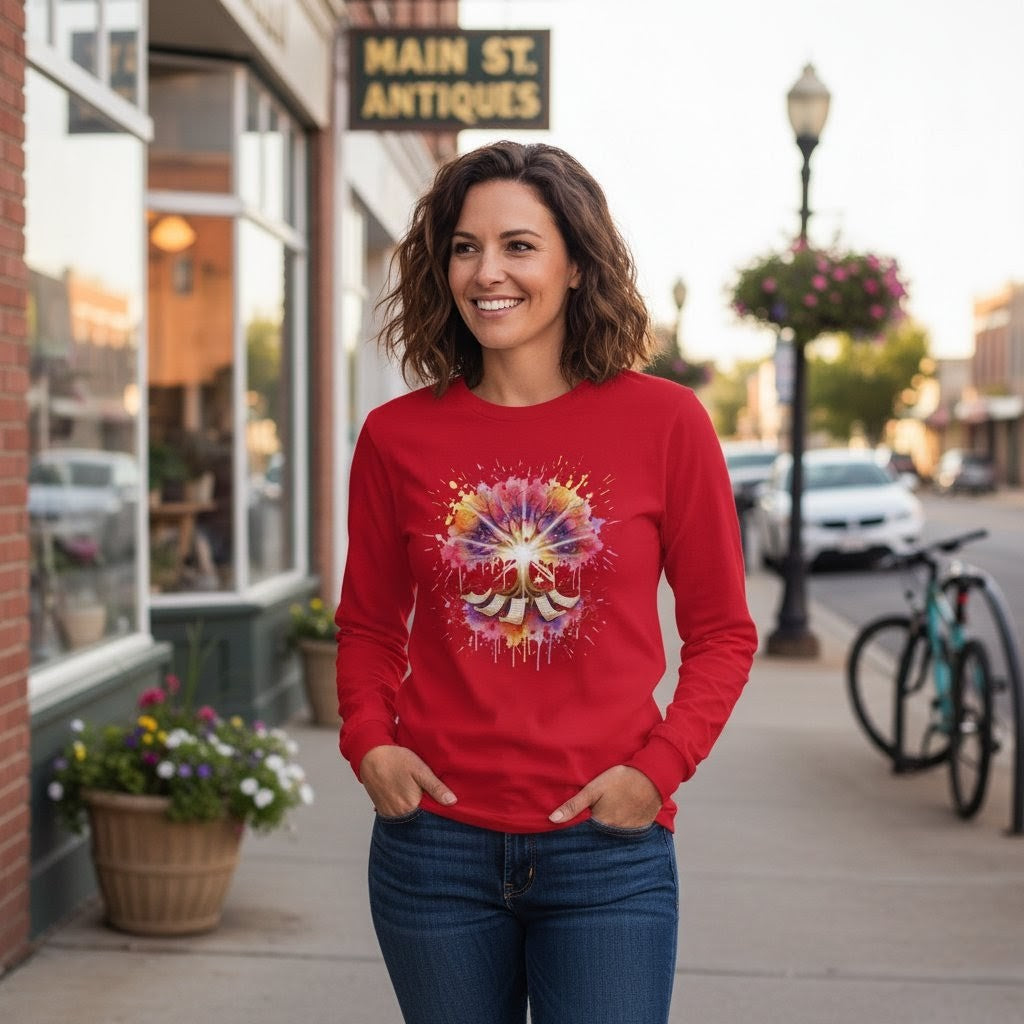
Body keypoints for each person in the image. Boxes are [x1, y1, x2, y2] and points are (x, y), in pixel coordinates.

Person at [335, 141, 757, 1024]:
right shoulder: (394, 437)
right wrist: (369, 741)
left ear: (576, 265)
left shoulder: (668, 422)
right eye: (464, 246)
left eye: (519, 245)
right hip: (434, 850)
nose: (487, 271)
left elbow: (722, 631)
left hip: (606, 851)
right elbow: (371, 624)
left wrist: (658, 769)